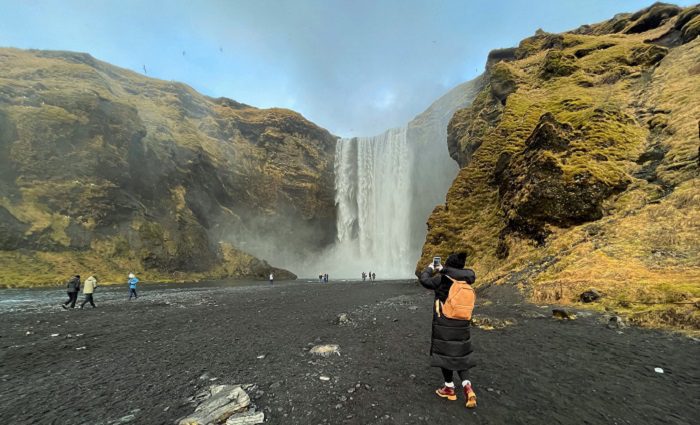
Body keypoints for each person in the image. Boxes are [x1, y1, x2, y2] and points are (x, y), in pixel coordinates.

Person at [419, 252, 477, 409]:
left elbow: (424, 280)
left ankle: (449, 388)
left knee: (445, 355)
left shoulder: (443, 280)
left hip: (444, 324)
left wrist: (431, 268)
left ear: (448, 265)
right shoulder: (466, 279)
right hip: (463, 325)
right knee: (461, 354)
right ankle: (467, 387)